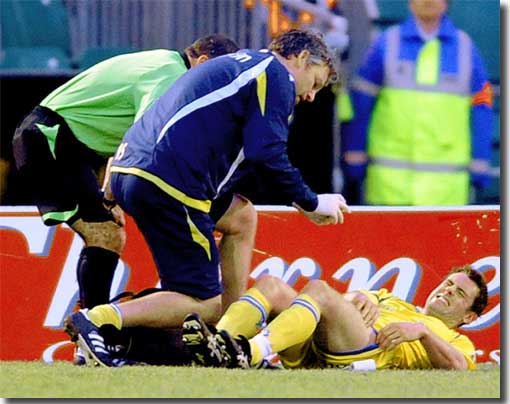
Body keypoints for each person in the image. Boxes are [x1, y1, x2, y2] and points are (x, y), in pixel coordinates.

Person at [64, 28, 350, 367]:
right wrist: (311, 202)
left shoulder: (239, 64)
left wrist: (112, 188)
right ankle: (96, 320)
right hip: (169, 181)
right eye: (315, 82)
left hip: (133, 170)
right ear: (301, 58)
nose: (312, 96)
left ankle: (228, 337)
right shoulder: (275, 75)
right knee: (202, 302)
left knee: (241, 216)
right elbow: (266, 153)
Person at [11, 34, 249, 312]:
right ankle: (94, 329)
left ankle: (94, 326)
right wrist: (110, 194)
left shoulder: (166, 63)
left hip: (70, 144)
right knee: (105, 234)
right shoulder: (171, 76)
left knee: (109, 233)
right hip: (49, 139)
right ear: (203, 62)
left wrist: (109, 191)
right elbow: (140, 140)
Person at [184, 264, 488, 370]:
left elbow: (458, 367)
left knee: (318, 289)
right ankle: (219, 343)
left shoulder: (456, 339)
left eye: (459, 294)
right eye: (448, 284)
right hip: (326, 337)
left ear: (470, 316)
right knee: (272, 286)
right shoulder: (392, 298)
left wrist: (421, 332)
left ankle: (248, 353)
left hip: (365, 347)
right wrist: (357, 297)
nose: (447, 291)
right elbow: (343, 303)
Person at [341, 0, 494, 205]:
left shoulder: (465, 48)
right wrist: (355, 151)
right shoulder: (387, 43)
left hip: (446, 190)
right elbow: (360, 103)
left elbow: (482, 107)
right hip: (389, 187)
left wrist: (480, 160)